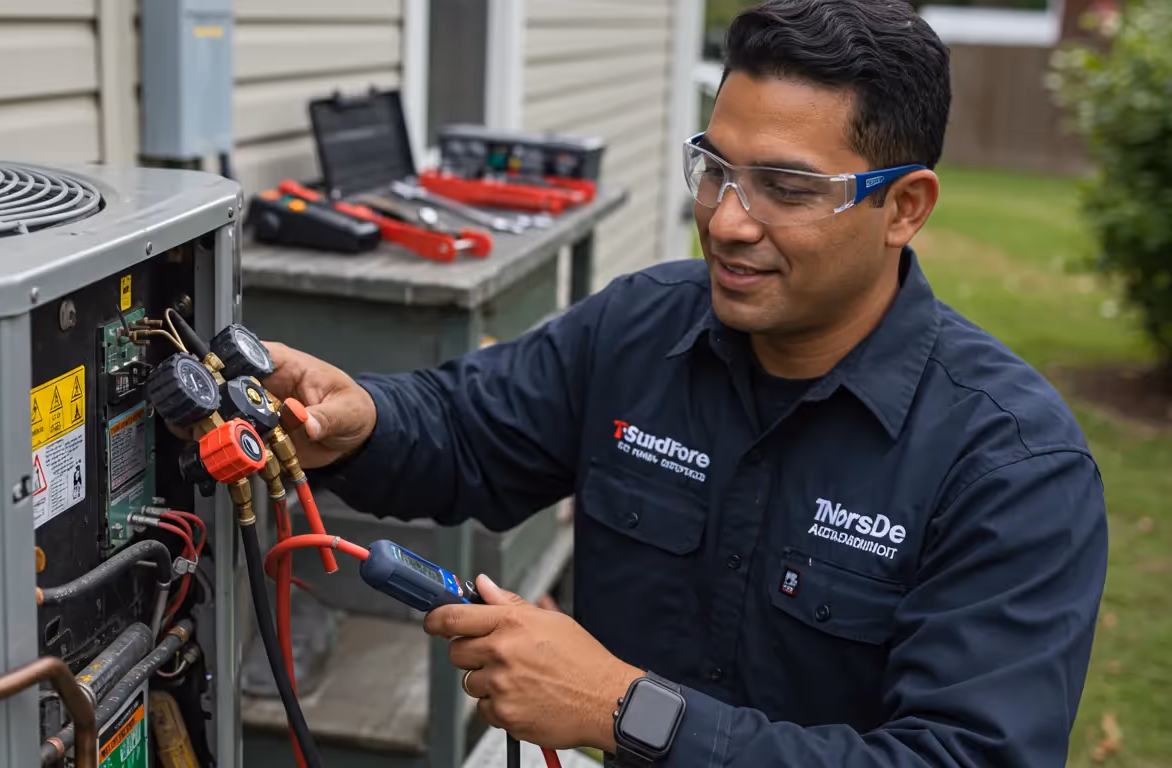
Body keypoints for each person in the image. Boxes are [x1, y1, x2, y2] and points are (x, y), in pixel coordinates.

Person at [260, 0, 1108, 764]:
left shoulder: (1012, 466)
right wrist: (359, 416)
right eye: (716, 169)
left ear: (907, 207)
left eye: (786, 188)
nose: (728, 221)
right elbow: (466, 430)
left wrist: (622, 708)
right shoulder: (641, 326)